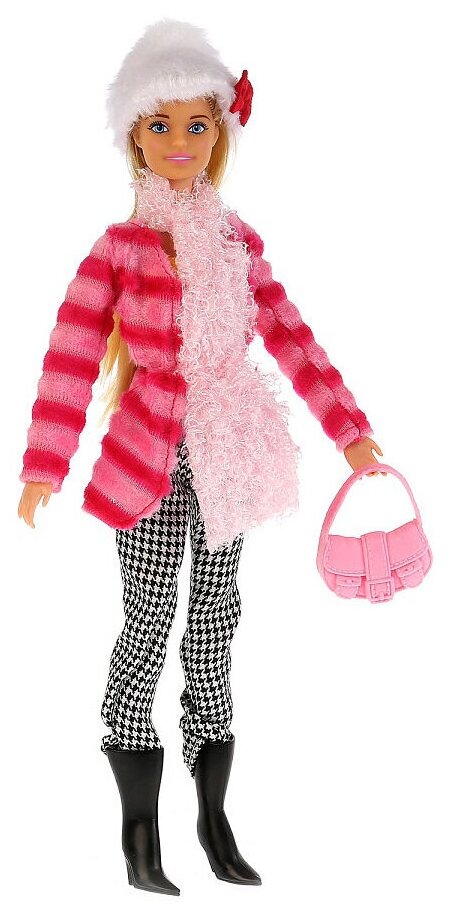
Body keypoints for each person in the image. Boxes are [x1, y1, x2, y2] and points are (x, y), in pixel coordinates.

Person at [17, 18, 383, 896]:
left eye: (197, 124)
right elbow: (71, 356)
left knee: (216, 623)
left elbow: (291, 336)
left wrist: (349, 429)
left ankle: (214, 815)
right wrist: (42, 466)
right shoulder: (119, 249)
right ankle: (138, 828)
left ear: (219, 132)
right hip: (146, 456)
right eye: (161, 125)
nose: (180, 141)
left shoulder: (236, 242)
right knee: (147, 620)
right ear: (134, 136)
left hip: (231, 452)